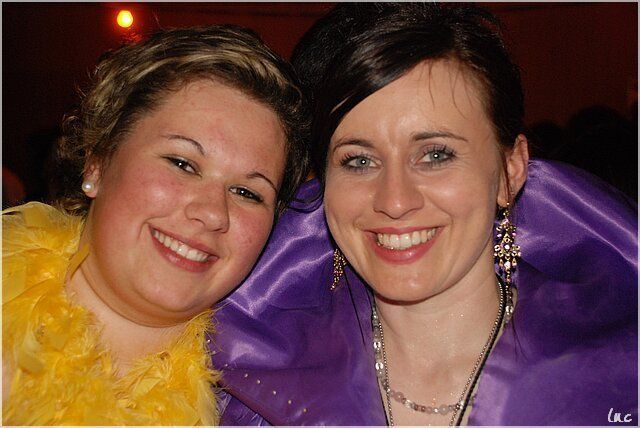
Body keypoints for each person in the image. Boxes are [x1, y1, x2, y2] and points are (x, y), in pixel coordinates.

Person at [213, 3, 637, 425]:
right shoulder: (247, 381)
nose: (395, 201)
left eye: (435, 155)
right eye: (359, 161)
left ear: (511, 170)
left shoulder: (617, 382)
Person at [2, 24, 308, 425]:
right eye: (182, 163)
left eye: (247, 192)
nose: (212, 212)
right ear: (98, 161)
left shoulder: (272, 406)